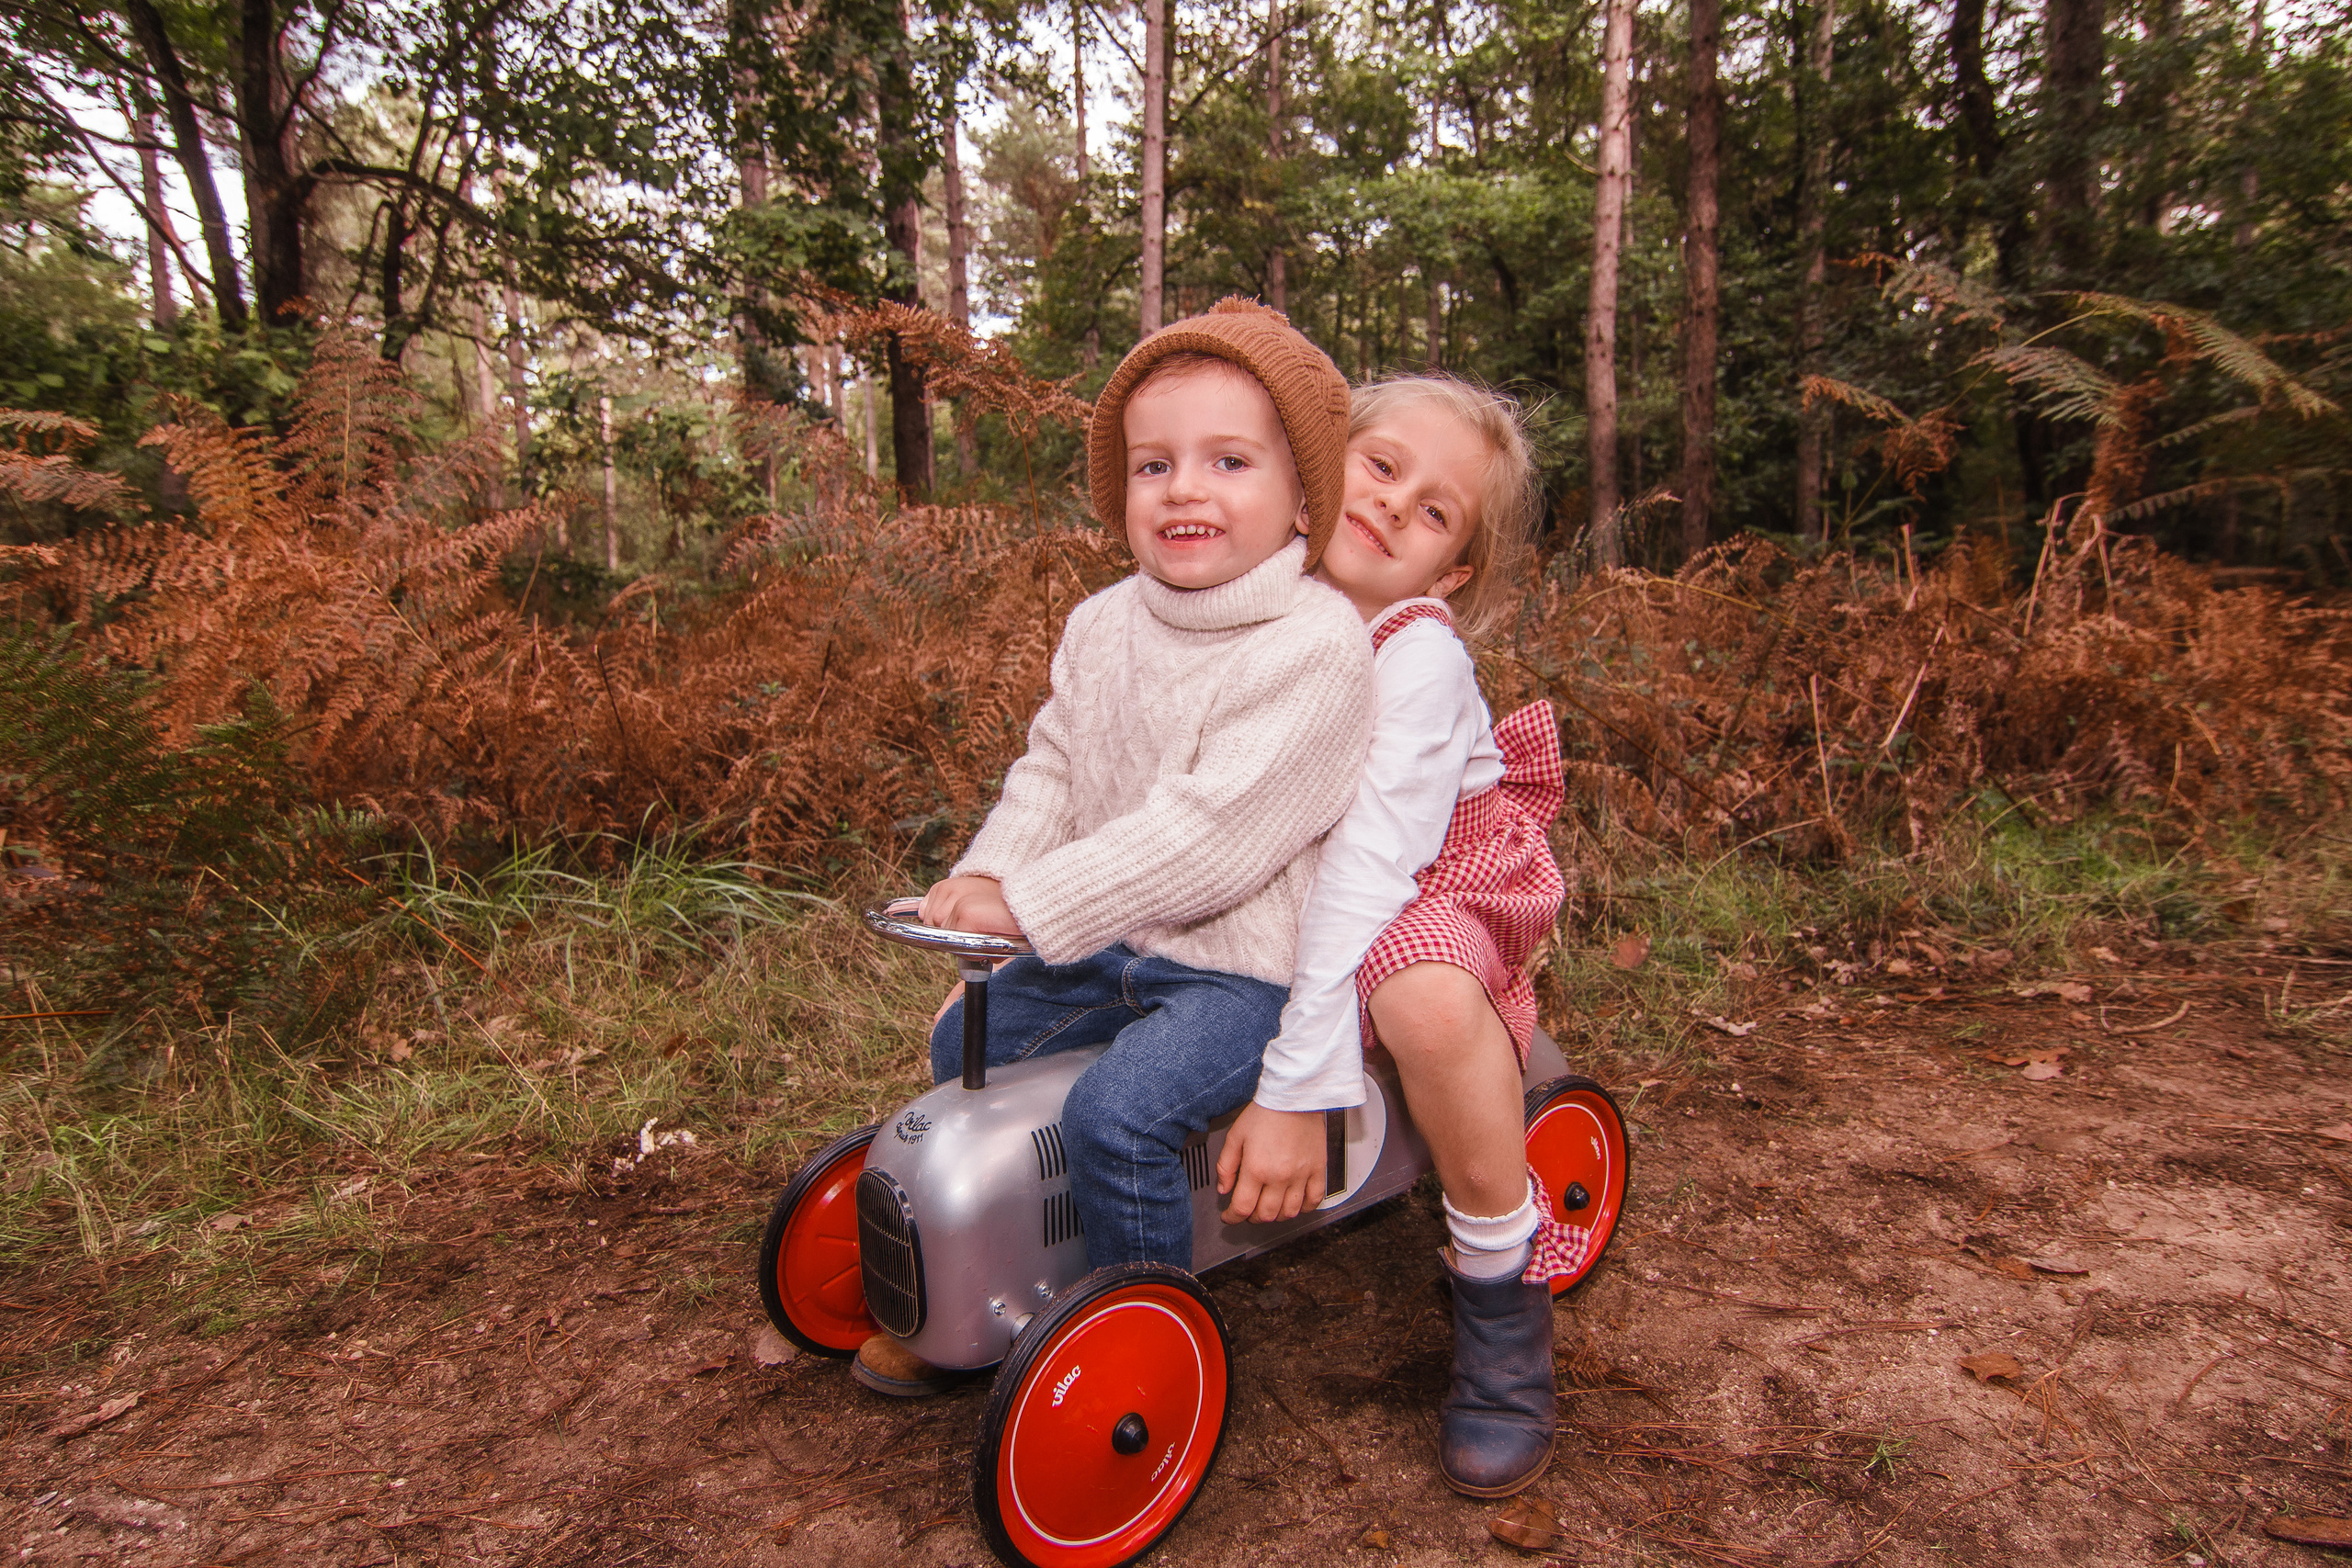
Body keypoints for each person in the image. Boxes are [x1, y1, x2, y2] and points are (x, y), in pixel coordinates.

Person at [853, 299, 1376, 1397]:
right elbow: (1053, 768)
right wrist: (992, 872)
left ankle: (1145, 1344)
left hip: (1246, 974)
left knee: (1117, 1114)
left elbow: (1212, 838)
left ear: (1300, 502)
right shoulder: (1102, 624)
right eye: (1153, 465)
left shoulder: (1315, 647)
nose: (1184, 488)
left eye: (1228, 460)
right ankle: (1006, 1287)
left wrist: (1033, 903)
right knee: (968, 1050)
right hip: (1116, 944)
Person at [1215, 373, 1579, 1498]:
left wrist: (1301, 1076)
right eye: (1380, 467)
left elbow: (1374, 867)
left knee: (1410, 989)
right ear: (1322, 461)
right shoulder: (1241, 593)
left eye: (1433, 513)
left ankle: (1498, 1287)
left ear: (1448, 572)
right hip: (1295, 862)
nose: (1390, 507)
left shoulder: (1416, 652)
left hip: (1429, 869)